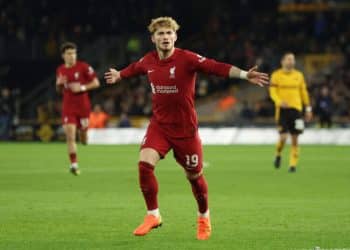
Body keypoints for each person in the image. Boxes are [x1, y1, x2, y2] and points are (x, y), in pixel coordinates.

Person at [104, 17, 269, 240]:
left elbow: (215, 67)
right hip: (159, 126)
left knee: (194, 177)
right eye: (160, 34)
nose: (165, 37)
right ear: (153, 38)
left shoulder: (186, 58)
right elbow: (135, 68)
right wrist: (120, 74)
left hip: (186, 131)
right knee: (144, 164)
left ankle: (204, 218)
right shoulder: (148, 60)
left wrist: (243, 74)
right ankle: (153, 215)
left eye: (169, 33)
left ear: (175, 37)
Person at [56, 42, 100, 175]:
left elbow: (96, 82)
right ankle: (74, 164)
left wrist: (82, 87)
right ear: (63, 55)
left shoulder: (83, 67)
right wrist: (58, 85)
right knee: (70, 136)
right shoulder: (60, 70)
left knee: (84, 140)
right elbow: (59, 89)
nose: (72, 56)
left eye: (74, 53)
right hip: (68, 107)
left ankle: (84, 132)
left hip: (83, 108)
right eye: (69, 53)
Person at [269, 52, 312, 173]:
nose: (291, 61)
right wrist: (279, 101)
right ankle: (278, 154)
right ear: (282, 61)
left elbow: (304, 93)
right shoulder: (276, 75)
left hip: (297, 111)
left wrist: (308, 108)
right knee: (283, 137)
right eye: (288, 59)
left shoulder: (299, 75)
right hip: (282, 110)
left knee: (295, 138)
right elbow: (272, 92)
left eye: (292, 59)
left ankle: (292, 165)